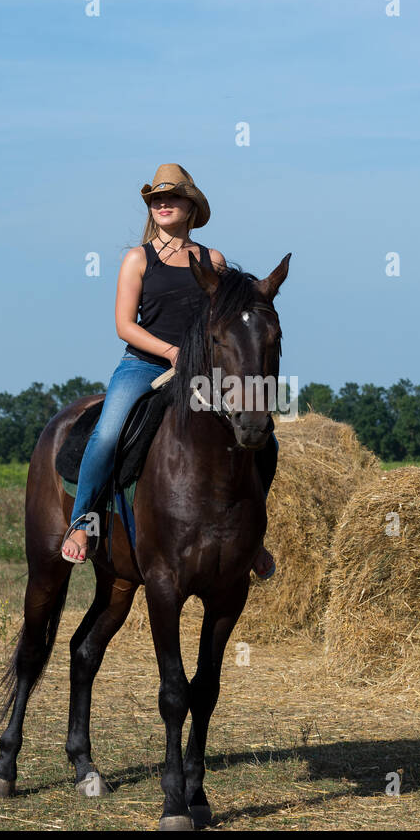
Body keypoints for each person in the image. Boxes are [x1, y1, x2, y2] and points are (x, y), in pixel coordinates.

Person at [60, 163, 278, 577]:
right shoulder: (136, 259)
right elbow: (124, 325)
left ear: (190, 206)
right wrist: (172, 352)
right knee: (107, 434)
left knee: (266, 442)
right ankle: (82, 523)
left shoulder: (212, 259)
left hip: (202, 373)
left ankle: (251, 540)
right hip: (144, 365)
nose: (163, 203)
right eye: (156, 199)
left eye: (172, 197)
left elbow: (229, 317)